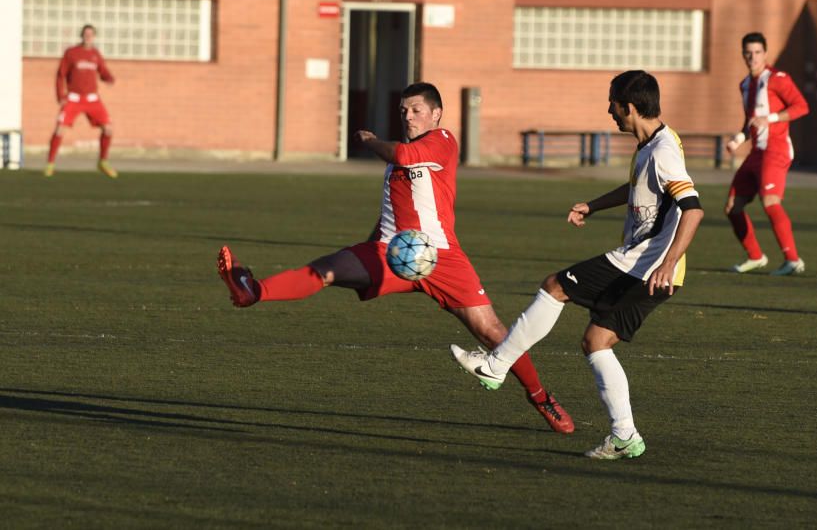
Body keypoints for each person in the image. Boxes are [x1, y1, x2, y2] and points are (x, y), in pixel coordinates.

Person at [217, 82, 574, 434]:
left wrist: (370, 141)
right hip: (391, 253)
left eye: (417, 110)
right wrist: (366, 247)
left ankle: (542, 398)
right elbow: (391, 208)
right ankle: (252, 291)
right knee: (324, 270)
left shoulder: (442, 141)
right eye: (404, 111)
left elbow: (404, 156)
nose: (409, 117)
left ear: (436, 114)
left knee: (494, 333)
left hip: (442, 257)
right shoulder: (397, 158)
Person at [451, 70, 704, 460]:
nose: (609, 111)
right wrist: (595, 204)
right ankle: (625, 437)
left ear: (631, 107)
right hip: (648, 269)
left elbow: (694, 210)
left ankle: (497, 366)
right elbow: (640, 185)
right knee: (595, 342)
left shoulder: (663, 151)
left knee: (556, 285)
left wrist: (667, 263)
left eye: (613, 103)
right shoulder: (650, 146)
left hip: (641, 266)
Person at [724, 32, 809, 276]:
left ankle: (793, 260)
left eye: (758, 52)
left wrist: (770, 118)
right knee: (733, 207)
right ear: (743, 55)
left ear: (765, 54)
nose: (753, 57)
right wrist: (738, 139)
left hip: (776, 149)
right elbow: (750, 122)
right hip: (756, 153)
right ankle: (755, 256)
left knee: (770, 202)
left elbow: (802, 106)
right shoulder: (745, 85)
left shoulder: (777, 79)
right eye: (748, 53)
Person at [45, 24, 118, 178]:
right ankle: (50, 163)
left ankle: (103, 162)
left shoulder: (95, 54)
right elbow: (60, 74)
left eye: (91, 34)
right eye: (86, 34)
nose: (88, 36)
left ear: (94, 36)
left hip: (92, 98)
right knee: (60, 129)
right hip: (74, 98)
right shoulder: (72, 53)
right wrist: (60, 95)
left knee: (108, 129)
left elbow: (103, 71)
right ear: (81, 35)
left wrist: (109, 78)